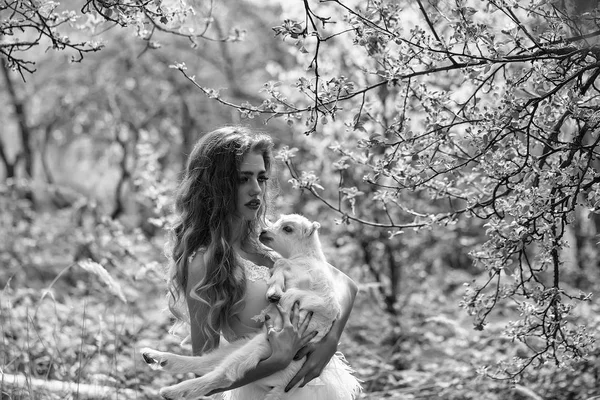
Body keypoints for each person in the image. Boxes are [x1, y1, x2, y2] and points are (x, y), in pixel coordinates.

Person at [165, 126, 361, 399]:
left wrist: (330, 341)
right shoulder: (203, 262)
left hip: (321, 388)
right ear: (215, 184)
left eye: (261, 177)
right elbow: (203, 370)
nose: (256, 189)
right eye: (243, 179)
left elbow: (345, 285)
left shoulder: (271, 237)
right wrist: (277, 361)